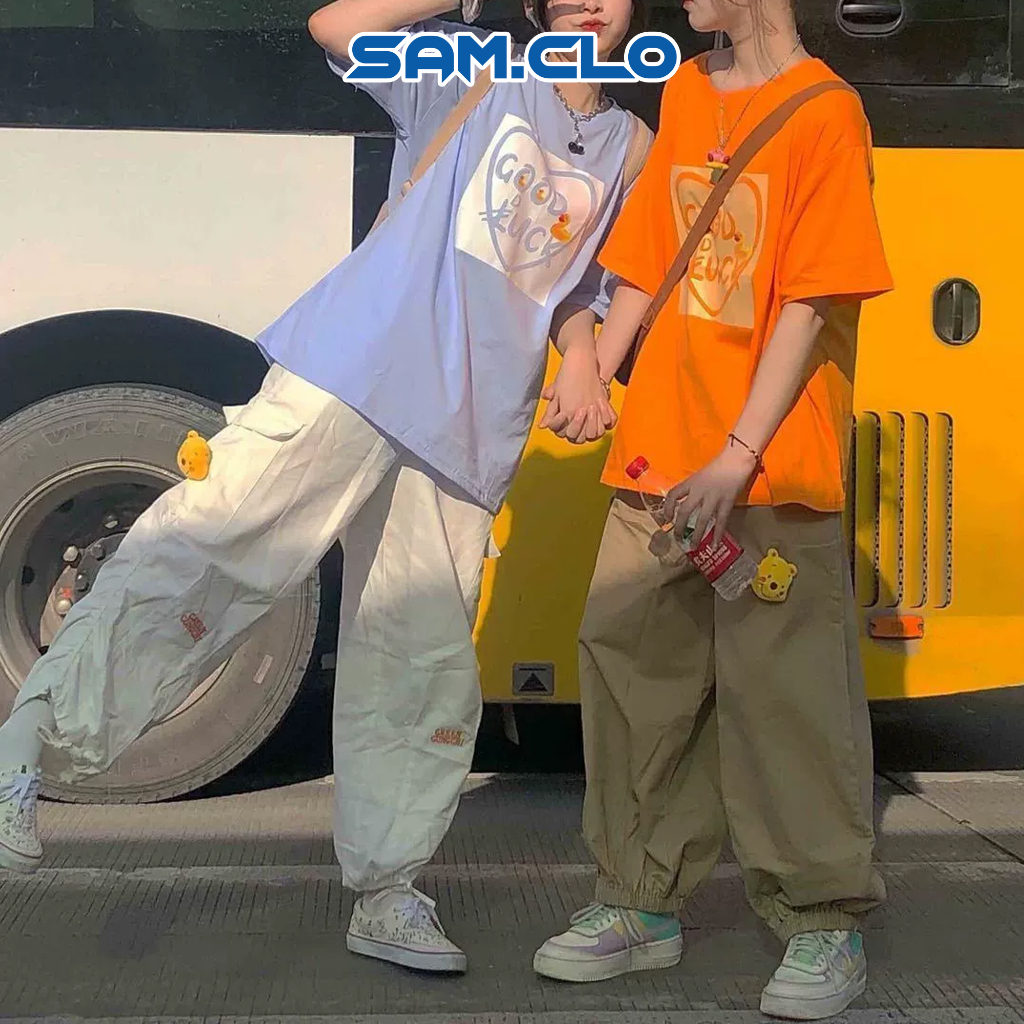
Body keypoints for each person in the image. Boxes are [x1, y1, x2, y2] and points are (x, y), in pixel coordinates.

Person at [0, 0, 651, 976]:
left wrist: (587, 361)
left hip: (469, 426)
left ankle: (389, 891)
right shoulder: (471, 69)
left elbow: (575, 285)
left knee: (418, 653)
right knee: (213, 540)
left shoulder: (629, 146)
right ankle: (29, 747)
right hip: (355, 367)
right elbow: (336, 25)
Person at [533, 0, 893, 1018]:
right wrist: (595, 368)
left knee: (785, 697)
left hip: (766, 470)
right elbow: (653, 249)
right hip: (659, 454)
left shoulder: (827, 112)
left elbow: (811, 301)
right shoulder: (689, 87)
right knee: (632, 677)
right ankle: (638, 902)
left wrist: (739, 455)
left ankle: (821, 920)